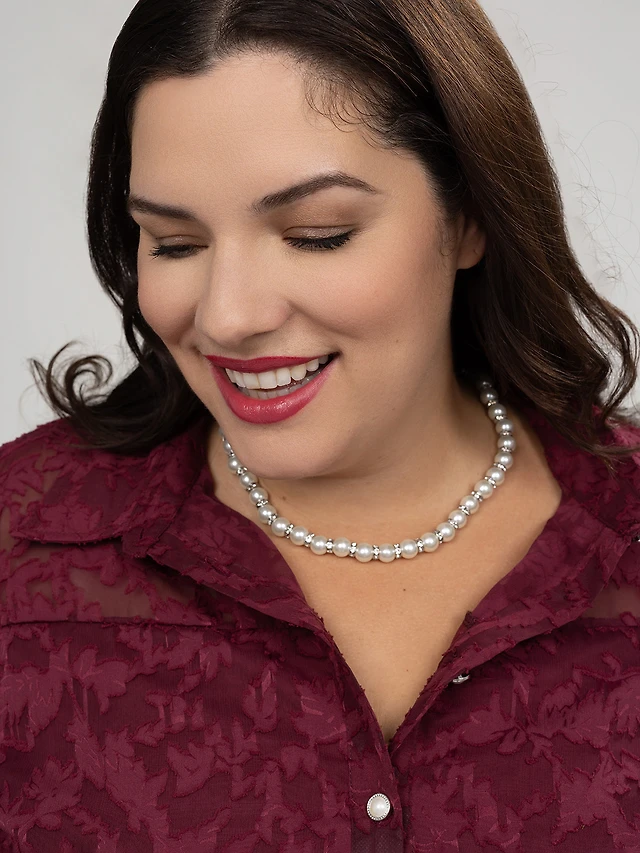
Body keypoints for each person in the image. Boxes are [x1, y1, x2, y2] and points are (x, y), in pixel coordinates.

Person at [2, 0, 640, 849]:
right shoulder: (22, 547)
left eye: (317, 235)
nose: (227, 317)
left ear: (470, 215)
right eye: (175, 243)